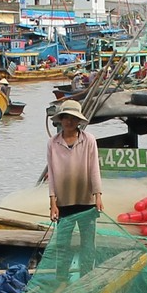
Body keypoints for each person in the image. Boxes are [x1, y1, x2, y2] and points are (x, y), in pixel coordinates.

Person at [44, 100, 103, 278]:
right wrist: (53, 203)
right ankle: (61, 277)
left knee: (87, 243)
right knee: (62, 243)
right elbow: (52, 174)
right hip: (64, 201)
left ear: (79, 121)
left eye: (73, 118)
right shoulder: (53, 143)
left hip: (86, 200)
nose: (69, 122)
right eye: (66, 118)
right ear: (60, 120)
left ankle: (87, 275)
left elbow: (94, 169)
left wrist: (98, 196)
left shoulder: (89, 140)